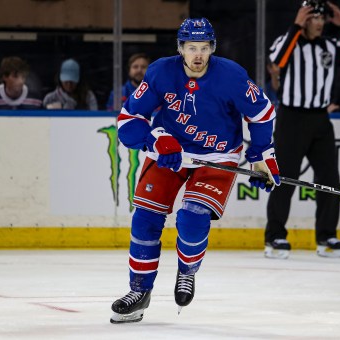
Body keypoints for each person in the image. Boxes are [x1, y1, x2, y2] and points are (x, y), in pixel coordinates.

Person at [110, 17, 280, 323]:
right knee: (146, 218)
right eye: (191, 48)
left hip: (218, 155)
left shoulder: (231, 75)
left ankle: (186, 271)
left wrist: (260, 155)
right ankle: (139, 291)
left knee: (192, 216)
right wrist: (155, 139)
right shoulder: (161, 71)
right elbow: (127, 121)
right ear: (181, 48)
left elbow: (263, 113)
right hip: (171, 154)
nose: (198, 55)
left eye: (204, 48)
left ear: (212, 48)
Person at [264, 0, 340, 259]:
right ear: (304, 18)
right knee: (285, 178)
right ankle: (274, 237)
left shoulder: (332, 45)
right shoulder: (288, 41)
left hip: (319, 119)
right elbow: (277, 59)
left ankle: (326, 237)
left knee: (329, 179)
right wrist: (296, 25)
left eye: (322, 18)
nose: (320, 23)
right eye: (314, 17)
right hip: (291, 118)